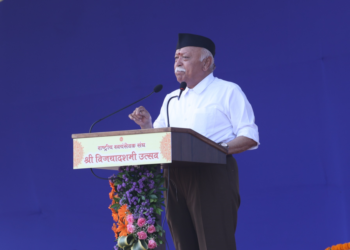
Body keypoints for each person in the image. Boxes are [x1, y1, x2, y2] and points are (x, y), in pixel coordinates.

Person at [129, 33, 259, 250]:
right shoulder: (171, 98)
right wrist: (147, 127)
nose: (177, 62)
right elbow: (160, 142)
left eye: (185, 57)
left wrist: (212, 150)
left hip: (211, 173)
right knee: (183, 244)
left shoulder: (227, 91)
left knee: (215, 243)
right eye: (175, 58)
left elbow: (249, 136)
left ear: (206, 62)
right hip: (174, 177)